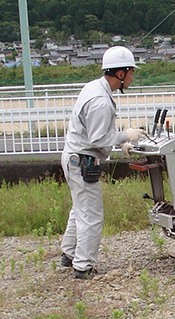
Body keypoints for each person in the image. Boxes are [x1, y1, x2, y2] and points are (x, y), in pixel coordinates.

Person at [60, 46, 147, 279]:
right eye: (130, 72)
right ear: (120, 74)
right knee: (91, 215)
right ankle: (83, 266)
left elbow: (99, 131)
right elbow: (97, 138)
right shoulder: (101, 101)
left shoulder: (94, 87)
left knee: (79, 210)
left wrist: (120, 143)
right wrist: (125, 136)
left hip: (75, 157)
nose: (132, 77)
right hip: (82, 160)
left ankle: (68, 254)